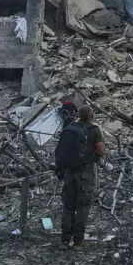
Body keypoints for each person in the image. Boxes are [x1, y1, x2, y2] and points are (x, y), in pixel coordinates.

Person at [58, 104, 104, 250]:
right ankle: (78, 242)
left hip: (69, 172)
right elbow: (102, 151)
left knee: (68, 206)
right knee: (83, 207)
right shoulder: (94, 130)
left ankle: (64, 240)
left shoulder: (71, 128)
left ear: (78, 115)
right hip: (85, 173)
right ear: (92, 116)